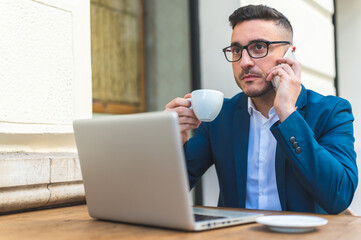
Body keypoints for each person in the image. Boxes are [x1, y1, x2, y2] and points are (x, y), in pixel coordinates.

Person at [165, 4, 358, 214]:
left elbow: (339, 196)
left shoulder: (331, 111)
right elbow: (168, 193)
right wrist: (170, 141)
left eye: (259, 47)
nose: (244, 62)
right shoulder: (221, 115)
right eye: (237, 50)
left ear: (290, 55)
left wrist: (287, 114)